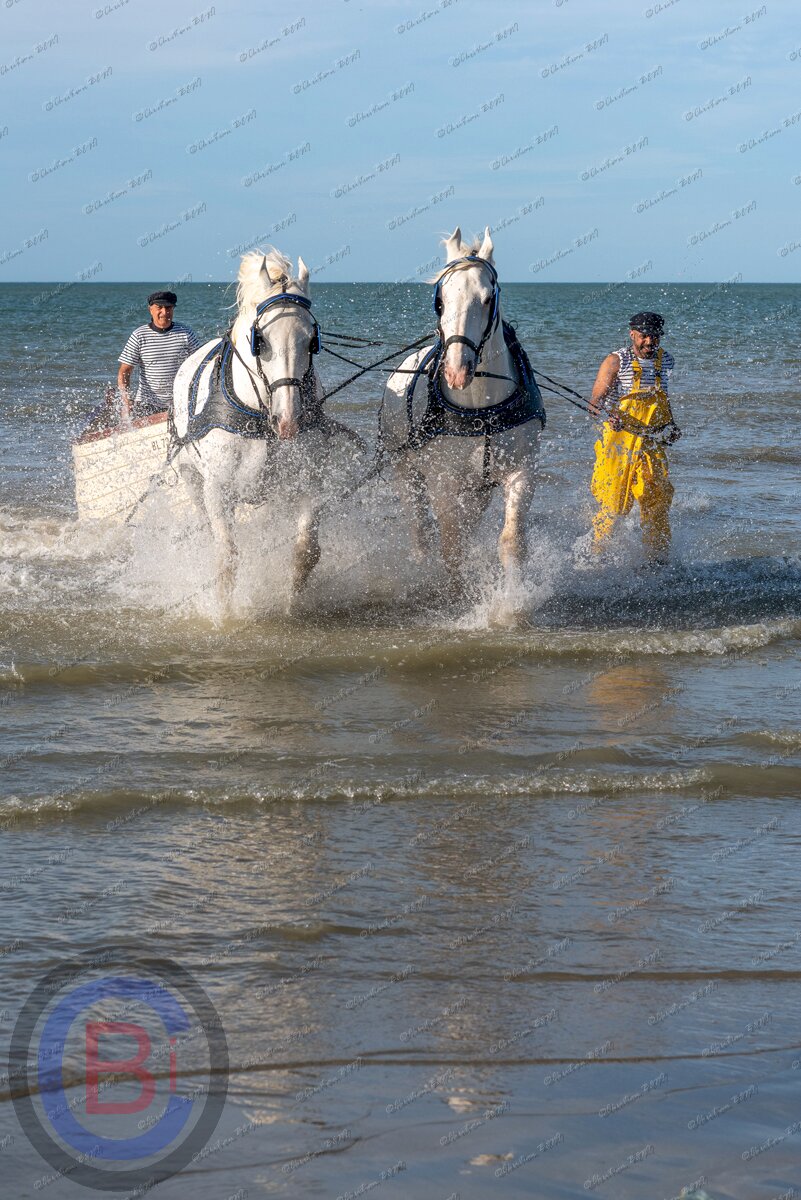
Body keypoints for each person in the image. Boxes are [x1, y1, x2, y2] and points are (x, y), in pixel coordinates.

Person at [588, 311, 681, 565]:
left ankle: (657, 560)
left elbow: (662, 398)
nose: (650, 341)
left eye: (655, 336)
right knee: (614, 504)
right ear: (632, 335)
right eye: (644, 336)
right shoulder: (616, 361)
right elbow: (595, 402)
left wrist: (671, 424)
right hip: (619, 442)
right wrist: (609, 414)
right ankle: (596, 558)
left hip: (650, 441)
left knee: (658, 501)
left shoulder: (666, 361)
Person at [117, 290, 200, 421]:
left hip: (180, 403)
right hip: (147, 404)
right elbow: (124, 372)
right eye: (159, 307)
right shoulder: (139, 335)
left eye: (168, 308)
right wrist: (126, 403)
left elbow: (200, 364)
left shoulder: (186, 333)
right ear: (151, 310)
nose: (164, 312)